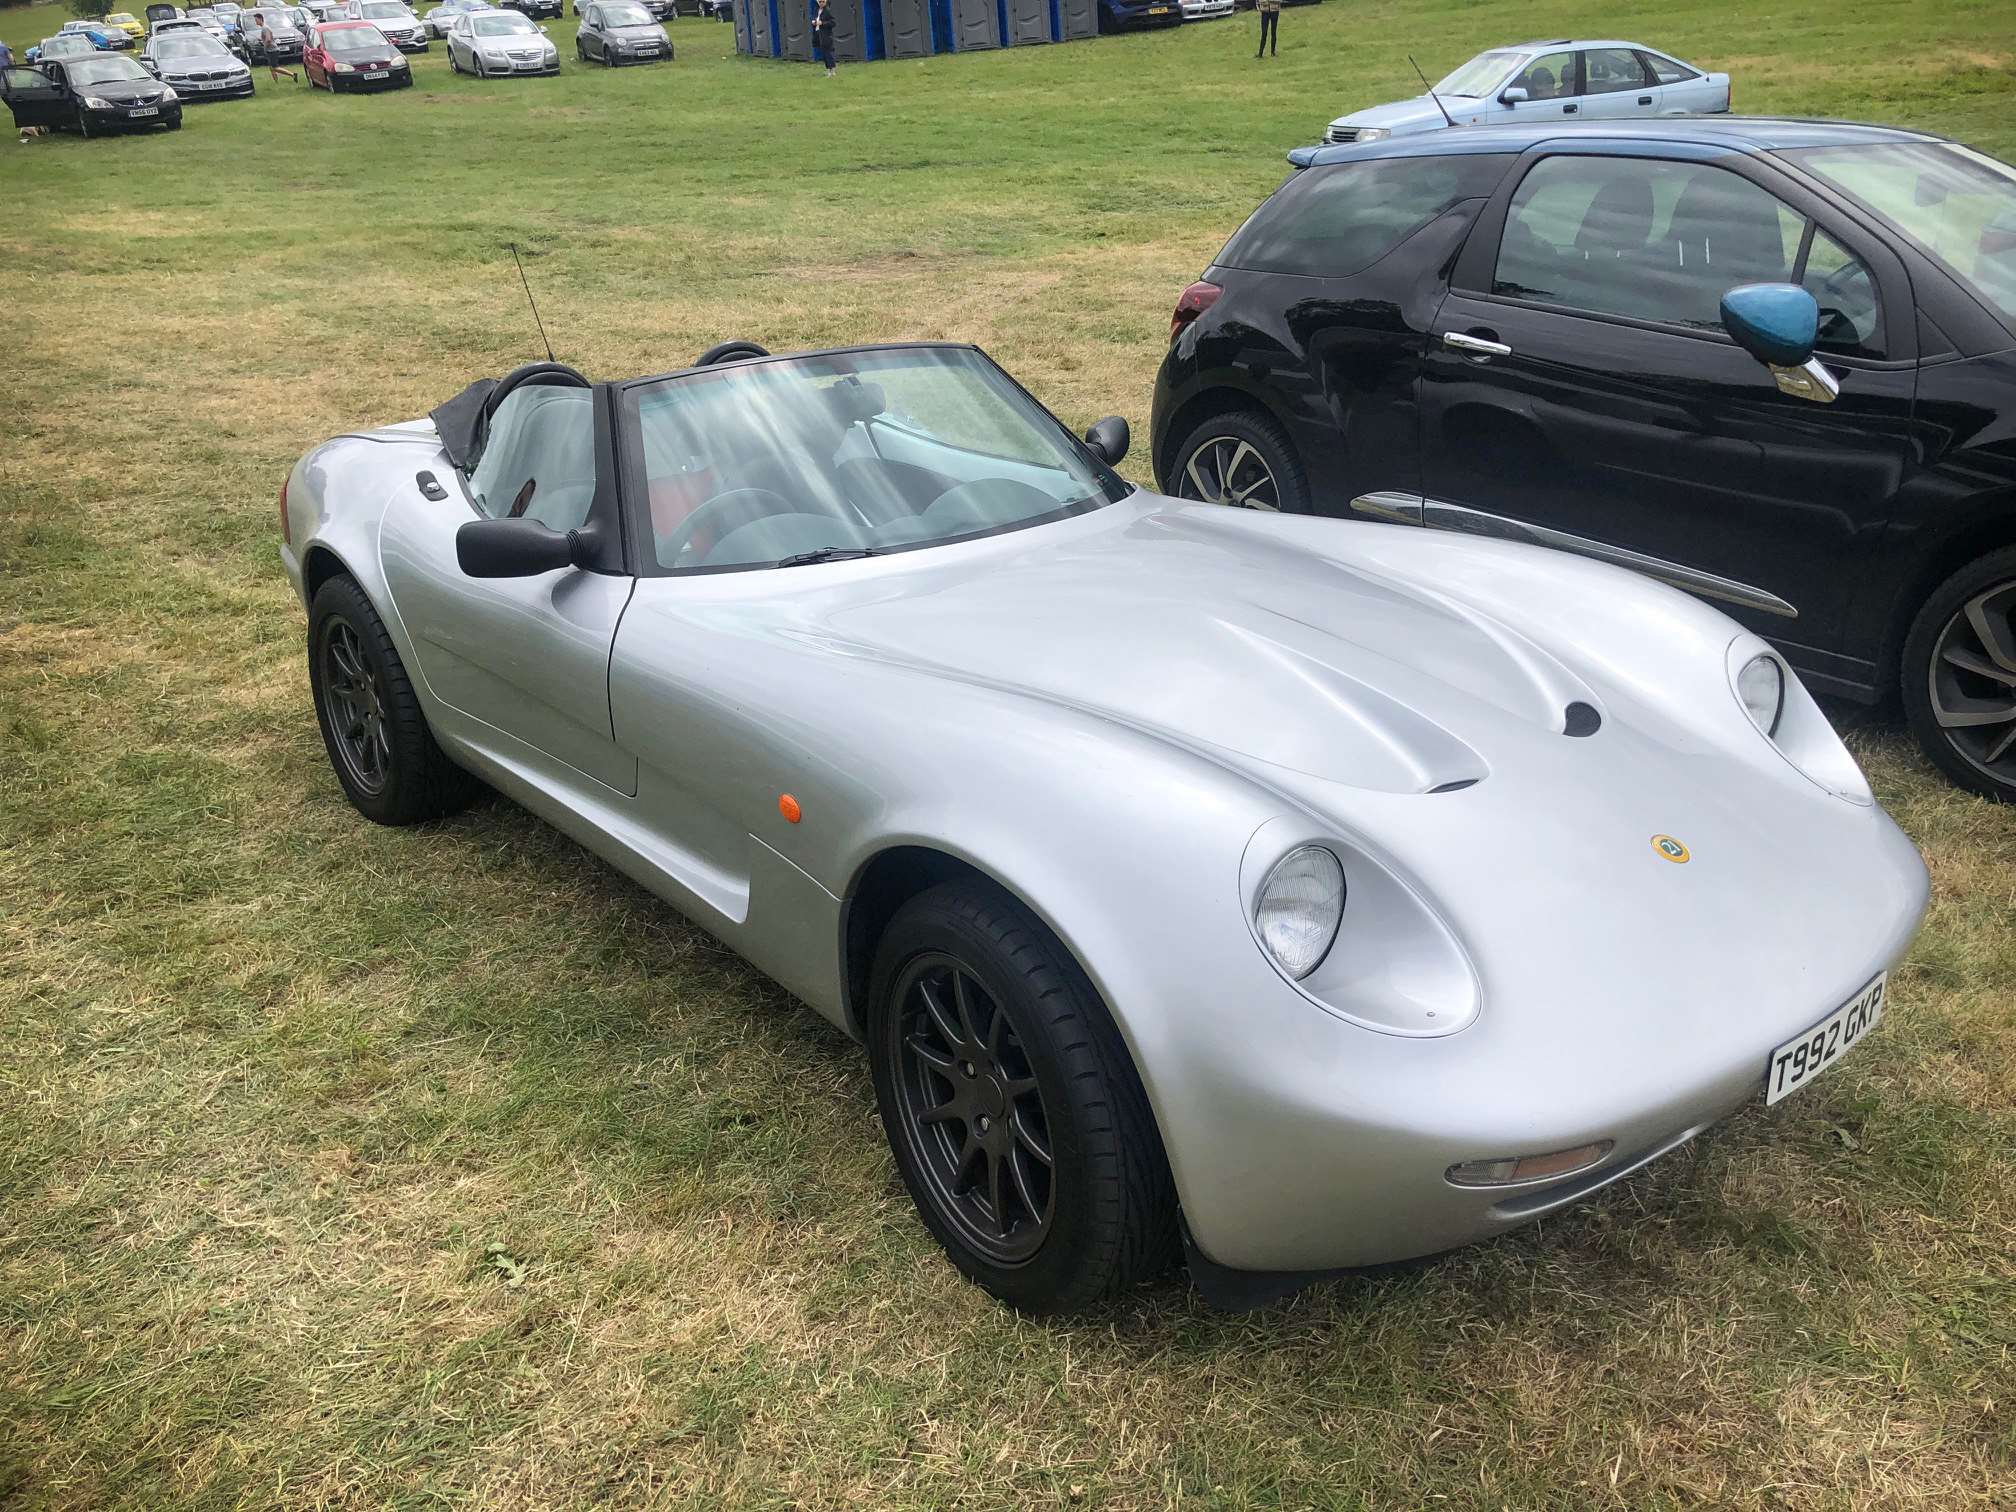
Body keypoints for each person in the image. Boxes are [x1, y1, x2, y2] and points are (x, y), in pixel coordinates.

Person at [253, 11, 299, 81]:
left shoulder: (265, 28)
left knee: (275, 67)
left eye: (256, 20)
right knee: (271, 68)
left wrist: (264, 45)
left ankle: (292, 75)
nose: (255, 22)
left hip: (272, 50)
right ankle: (276, 82)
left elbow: (268, 40)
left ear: (260, 19)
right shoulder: (264, 28)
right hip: (270, 50)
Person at [812, 0, 835, 78]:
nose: (821, 3)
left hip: (826, 35)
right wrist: (814, 22)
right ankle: (829, 70)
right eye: (820, 2)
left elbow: (833, 22)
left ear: (825, 2)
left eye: (823, 1)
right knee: (824, 53)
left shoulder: (827, 11)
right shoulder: (816, 10)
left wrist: (822, 23)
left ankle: (831, 70)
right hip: (818, 34)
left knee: (828, 52)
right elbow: (816, 20)